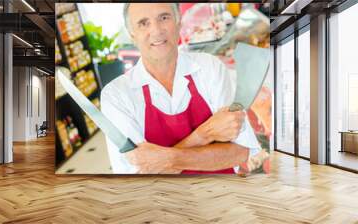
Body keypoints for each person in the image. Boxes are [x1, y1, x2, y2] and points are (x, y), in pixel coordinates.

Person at [101, 3, 269, 174]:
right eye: (143, 23)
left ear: (178, 21)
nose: (157, 30)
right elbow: (138, 181)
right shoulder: (116, 95)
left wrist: (164, 160)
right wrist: (205, 134)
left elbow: (240, 152)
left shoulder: (209, 67)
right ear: (132, 34)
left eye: (164, 17)